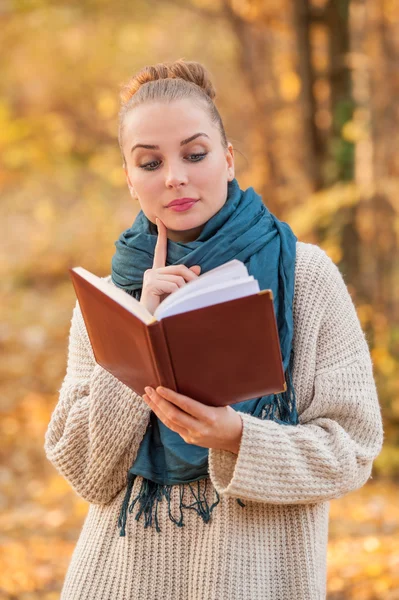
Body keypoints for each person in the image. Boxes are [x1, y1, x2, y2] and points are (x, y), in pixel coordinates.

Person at [44, 59, 384, 600]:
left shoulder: (306, 275)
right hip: (119, 579)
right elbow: (84, 469)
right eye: (150, 163)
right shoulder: (108, 298)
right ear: (131, 181)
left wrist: (236, 437)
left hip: (255, 578)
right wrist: (140, 331)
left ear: (227, 160)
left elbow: (353, 451)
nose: (174, 176)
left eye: (194, 154)